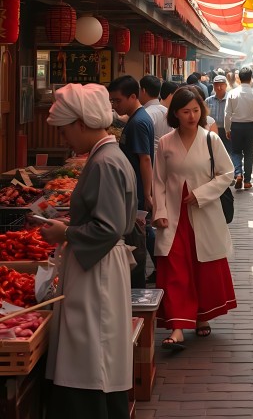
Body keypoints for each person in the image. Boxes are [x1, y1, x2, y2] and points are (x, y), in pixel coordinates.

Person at [42, 83, 137, 419]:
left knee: (91, 346)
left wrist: (65, 231)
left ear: (81, 123)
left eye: (66, 130)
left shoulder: (104, 162)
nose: (64, 138)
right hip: (99, 263)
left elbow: (107, 228)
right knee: (95, 346)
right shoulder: (107, 156)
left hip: (98, 266)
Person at [152, 87, 236, 350]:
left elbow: (227, 173)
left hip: (203, 212)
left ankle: (201, 316)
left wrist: (201, 194)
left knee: (203, 266)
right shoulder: (165, 142)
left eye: (196, 110)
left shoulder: (211, 140)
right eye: (185, 111)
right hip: (174, 217)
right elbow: (159, 181)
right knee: (175, 268)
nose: (191, 116)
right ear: (175, 113)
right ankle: (177, 327)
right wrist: (160, 212)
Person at [108, 75, 154, 285]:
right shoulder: (137, 118)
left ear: (133, 96)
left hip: (135, 193)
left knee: (137, 245)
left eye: (118, 101)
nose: (115, 105)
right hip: (134, 191)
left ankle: (138, 291)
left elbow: (145, 159)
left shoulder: (138, 123)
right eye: (113, 101)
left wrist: (146, 193)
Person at [224, 66, 253, 190]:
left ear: (239, 79)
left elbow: (227, 113)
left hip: (236, 126)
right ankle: (247, 181)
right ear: (251, 78)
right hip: (251, 127)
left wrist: (227, 129)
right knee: (248, 154)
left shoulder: (232, 93)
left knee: (235, 152)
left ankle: (238, 173)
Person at [140, 75, 169, 154]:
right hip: (168, 155)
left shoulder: (145, 114)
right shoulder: (167, 111)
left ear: (143, 90)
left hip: (152, 157)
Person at [205, 75, 232, 156]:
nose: (219, 88)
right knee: (214, 153)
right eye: (216, 85)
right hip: (212, 131)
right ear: (213, 86)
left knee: (228, 154)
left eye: (221, 85)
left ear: (226, 86)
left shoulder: (231, 99)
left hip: (227, 131)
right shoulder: (208, 100)